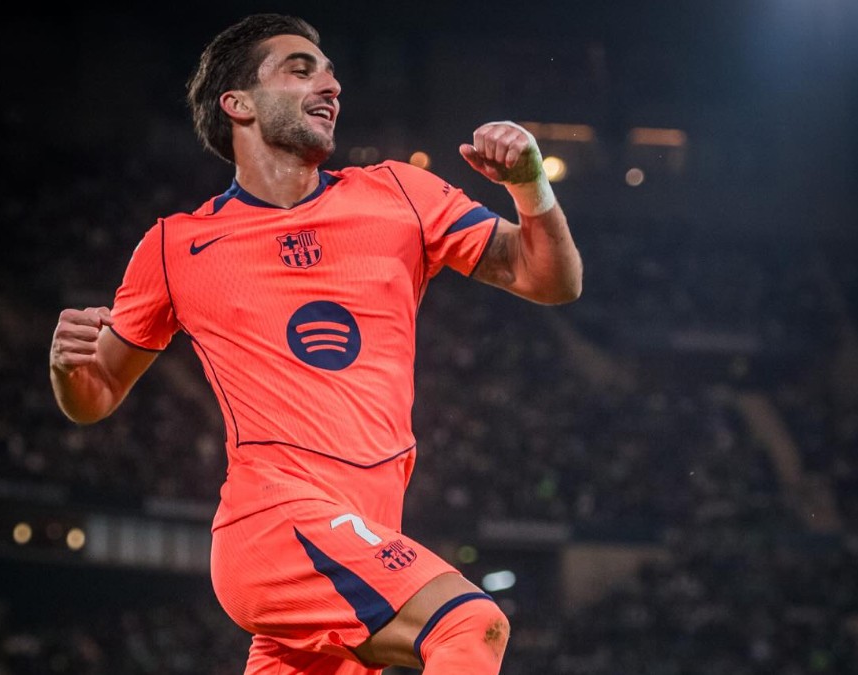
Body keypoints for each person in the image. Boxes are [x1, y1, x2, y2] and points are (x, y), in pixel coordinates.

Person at [49, 12, 582, 675]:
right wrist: (67, 366)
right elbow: (96, 394)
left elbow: (550, 279)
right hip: (275, 523)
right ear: (237, 103)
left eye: (330, 73)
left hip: (361, 535)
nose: (330, 85)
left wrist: (530, 185)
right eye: (301, 70)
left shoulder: (400, 193)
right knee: (470, 624)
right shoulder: (175, 245)